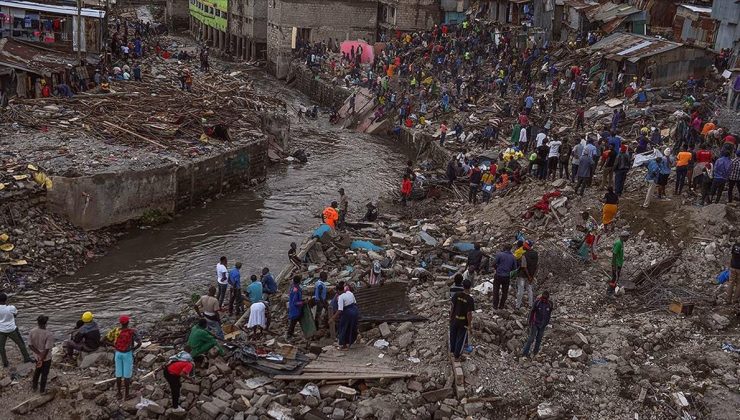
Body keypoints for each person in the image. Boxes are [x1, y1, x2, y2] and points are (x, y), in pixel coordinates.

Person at [0, 293, 32, 367]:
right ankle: (26, 358)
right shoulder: (11, 308)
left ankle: (5, 363)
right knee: (21, 344)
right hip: (12, 329)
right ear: (6, 300)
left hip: (1, 330)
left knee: (1, 347)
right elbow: (15, 315)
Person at [113, 315, 142, 400]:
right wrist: (133, 349)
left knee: (118, 374)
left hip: (118, 353)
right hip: (127, 354)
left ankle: (119, 393)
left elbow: (104, 339)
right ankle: (127, 395)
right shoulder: (132, 331)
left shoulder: (116, 330)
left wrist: (114, 346)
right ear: (128, 322)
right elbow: (139, 343)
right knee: (127, 375)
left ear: (120, 323)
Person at [163, 347, 194, 413]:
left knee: (178, 385)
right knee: (175, 390)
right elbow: (182, 374)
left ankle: (178, 397)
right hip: (170, 373)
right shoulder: (189, 365)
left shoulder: (185, 357)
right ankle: (175, 407)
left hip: (169, 369)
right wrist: (189, 379)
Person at [522, 291, 553, 357]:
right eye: (543, 297)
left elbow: (549, 314)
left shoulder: (550, 304)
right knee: (531, 338)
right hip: (535, 322)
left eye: (546, 298)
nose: (544, 299)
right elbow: (532, 312)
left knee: (539, 339)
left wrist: (546, 322)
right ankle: (525, 353)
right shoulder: (537, 302)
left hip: (543, 324)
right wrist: (529, 322)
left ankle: (535, 352)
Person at [449, 279, 474, 362]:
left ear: (463, 286)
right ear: (470, 287)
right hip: (463, 322)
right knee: (460, 338)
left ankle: (452, 351)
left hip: (455, 319)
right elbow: (469, 314)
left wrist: (450, 317)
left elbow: (452, 307)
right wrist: (469, 325)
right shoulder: (470, 299)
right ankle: (457, 356)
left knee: (453, 335)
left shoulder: (456, 295)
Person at [28, 315, 53, 393]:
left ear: (38, 323)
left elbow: (30, 345)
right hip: (46, 357)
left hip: (36, 356)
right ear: (46, 323)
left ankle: (34, 387)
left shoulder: (32, 331)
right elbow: (47, 348)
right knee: (44, 374)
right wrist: (42, 357)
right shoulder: (48, 334)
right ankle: (42, 390)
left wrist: (38, 354)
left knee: (37, 371)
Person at [333, 285, 359, 350]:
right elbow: (355, 303)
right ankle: (351, 343)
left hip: (348, 312)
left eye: (337, 291)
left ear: (339, 290)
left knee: (343, 327)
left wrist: (333, 318)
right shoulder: (350, 293)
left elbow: (340, 310)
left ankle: (344, 346)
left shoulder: (340, 297)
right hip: (355, 311)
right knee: (352, 327)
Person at [491, 244, 517, 310]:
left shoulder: (499, 254)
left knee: (496, 291)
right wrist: (508, 270)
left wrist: (497, 268)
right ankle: (501, 306)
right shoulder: (513, 257)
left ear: (504, 248)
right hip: (506, 276)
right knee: (504, 292)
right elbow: (514, 268)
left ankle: (495, 306)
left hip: (498, 275)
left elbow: (493, 264)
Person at [516, 240, 538, 311]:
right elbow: (536, 266)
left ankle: (518, 306)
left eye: (525, 246)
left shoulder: (524, 255)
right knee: (529, 290)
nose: (523, 247)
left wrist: (528, 276)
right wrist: (532, 277)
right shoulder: (536, 254)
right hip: (531, 276)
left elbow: (524, 266)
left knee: (520, 290)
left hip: (523, 275)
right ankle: (530, 305)